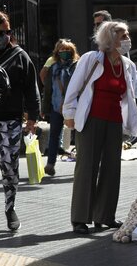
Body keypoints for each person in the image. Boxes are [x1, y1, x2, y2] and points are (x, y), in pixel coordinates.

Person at [63, 21, 137, 234]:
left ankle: (104, 216)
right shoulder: (91, 59)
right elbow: (74, 88)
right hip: (91, 119)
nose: (127, 40)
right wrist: (69, 114)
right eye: (123, 36)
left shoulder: (127, 64)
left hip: (114, 121)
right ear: (110, 39)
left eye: (127, 35)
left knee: (111, 168)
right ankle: (80, 218)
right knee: (87, 167)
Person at [0, 11, 40, 230]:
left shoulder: (19, 56)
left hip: (9, 121)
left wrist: (32, 117)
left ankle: (10, 208)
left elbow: (31, 88)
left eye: (7, 32)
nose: (4, 36)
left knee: (9, 167)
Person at [41, 39, 80, 176]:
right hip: (56, 107)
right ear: (57, 52)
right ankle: (50, 164)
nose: (65, 53)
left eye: (67, 50)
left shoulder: (77, 66)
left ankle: (81, 165)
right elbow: (48, 90)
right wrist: (45, 109)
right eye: (62, 50)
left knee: (79, 136)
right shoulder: (53, 68)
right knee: (54, 135)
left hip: (75, 107)